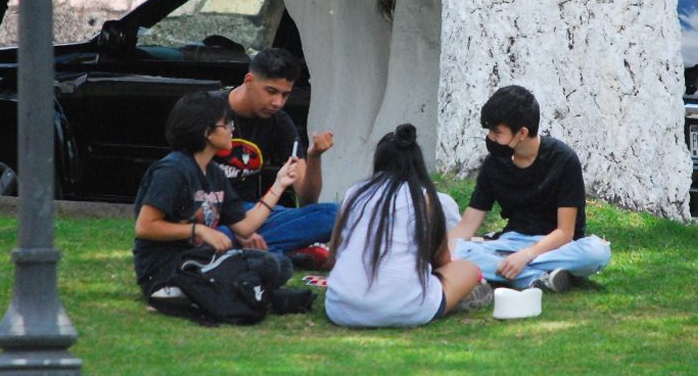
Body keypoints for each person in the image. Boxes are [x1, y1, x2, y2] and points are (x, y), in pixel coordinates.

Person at [133, 92, 298, 299]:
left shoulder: (214, 173)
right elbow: (145, 227)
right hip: (165, 266)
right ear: (207, 132)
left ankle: (212, 292)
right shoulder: (173, 171)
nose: (232, 129)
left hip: (200, 258)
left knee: (280, 265)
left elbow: (245, 227)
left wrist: (279, 184)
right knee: (267, 266)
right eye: (226, 124)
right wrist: (199, 230)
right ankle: (176, 291)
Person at [325, 124, 491, 327]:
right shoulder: (424, 198)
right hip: (406, 307)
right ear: (417, 164)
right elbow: (441, 259)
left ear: (378, 161)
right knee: (469, 269)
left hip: (341, 308)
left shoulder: (353, 194)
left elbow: (333, 256)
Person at [449, 85, 611, 292]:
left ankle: (513, 272)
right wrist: (442, 252)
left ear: (522, 133)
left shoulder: (563, 160)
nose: (490, 138)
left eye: (497, 132)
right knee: (459, 250)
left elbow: (565, 232)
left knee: (597, 252)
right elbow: (468, 224)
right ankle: (537, 277)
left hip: (558, 246)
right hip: (511, 242)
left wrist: (525, 256)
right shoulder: (494, 164)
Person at [212, 48, 337, 263]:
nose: (277, 102)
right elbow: (187, 186)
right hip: (210, 210)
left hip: (255, 213)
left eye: (285, 94)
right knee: (215, 233)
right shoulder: (209, 109)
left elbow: (307, 200)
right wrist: (241, 229)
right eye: (271, 91)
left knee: (336, 214)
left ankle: (255, 248)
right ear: (249, 80)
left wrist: (315, 157)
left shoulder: (280, 122)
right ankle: (276, 250)